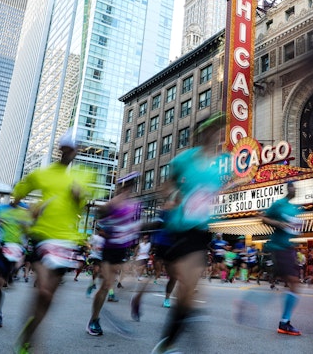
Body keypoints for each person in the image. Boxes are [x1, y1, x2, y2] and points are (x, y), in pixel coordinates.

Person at [152, 112, 230, 354]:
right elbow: (167, 185)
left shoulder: (220, 164)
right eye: (211, 129)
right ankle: (168, 343)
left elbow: (216, 189)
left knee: (189, 292)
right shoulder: (184, 159)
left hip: (201, 233)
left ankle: (169, 342)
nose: (216, 133)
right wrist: (171, 198)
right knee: (187, 291)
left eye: (219, 129)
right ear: (201, 133)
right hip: (180, 229)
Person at [12, 129, 92, 353]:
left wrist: (78, 196)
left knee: (48, 298)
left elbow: (81, 205)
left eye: (72, 148)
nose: (68, 152)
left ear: (76, 151)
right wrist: (28, 210)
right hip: (41, 237)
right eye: (64, 148)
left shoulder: (82, 176)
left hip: (66, 243)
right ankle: (30, 337)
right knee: (44, 292)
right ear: (60, 149)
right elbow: (17, 194)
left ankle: (29, 334)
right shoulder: (43, 174)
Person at [87, 171, 141, 336]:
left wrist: (131, 237)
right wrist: (113, 233)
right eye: (127, 185)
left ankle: (133, 303)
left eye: (132, 185)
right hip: (110, 250)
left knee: (128, 281)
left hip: (123, 250)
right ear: (121, 187)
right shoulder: (111, 205)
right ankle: (94, 320)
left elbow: (135, 227)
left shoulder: (134, 205)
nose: (129, 188)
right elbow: (101, 227)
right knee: (106, 285)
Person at [261, 181, 303, 336]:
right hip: (278, 248)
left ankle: (285, 321)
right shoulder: (278, 204)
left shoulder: (295, 209)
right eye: (293, 187)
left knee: (293, 284)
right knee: (294, 283)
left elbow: (294, 229)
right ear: (288, 188)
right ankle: (284, 323)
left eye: (296, 188)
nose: (295, 190)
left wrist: (297, 229)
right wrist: (277, 222)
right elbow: (264, 219)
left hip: (289, 248)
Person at [0, 203, 33, 328]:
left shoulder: (26, 210)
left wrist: (25, 227)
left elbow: (31, 232)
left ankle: (9, 277)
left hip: (16, 248)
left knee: (4, 282)